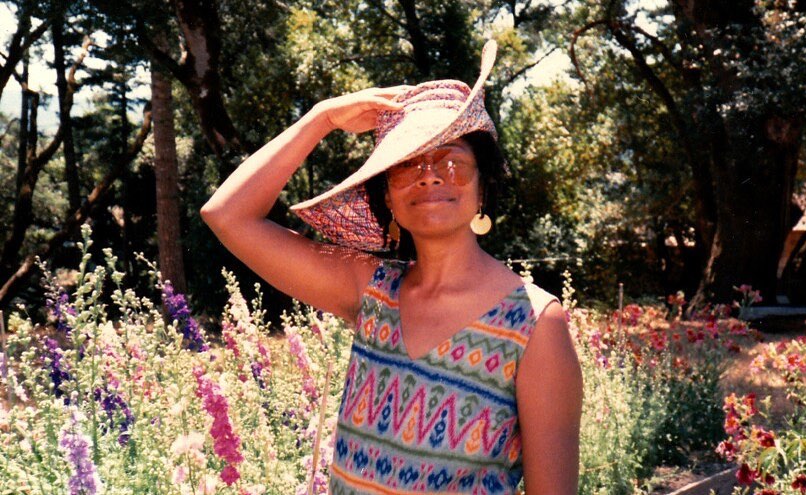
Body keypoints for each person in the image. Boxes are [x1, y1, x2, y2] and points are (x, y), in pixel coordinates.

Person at [200, 40, 582, 494]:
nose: (430, 175)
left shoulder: (535, 324)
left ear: (483, 187)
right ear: (387, 197)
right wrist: (321, 117)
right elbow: (227, 215)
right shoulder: (371, 291)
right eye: (407, 165)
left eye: (454, 162)